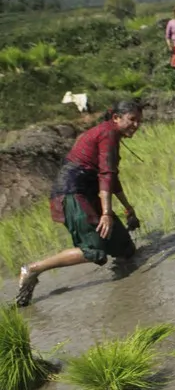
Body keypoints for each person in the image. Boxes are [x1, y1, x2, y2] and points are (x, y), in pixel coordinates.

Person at [15, 100, 144, 307]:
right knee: (94, 251)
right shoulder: (108, 134)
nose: (136, 125)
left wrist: (128, 207)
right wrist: (107, 214)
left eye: (139, 121)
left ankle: (129, 290)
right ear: (116, 118)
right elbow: (106, 175)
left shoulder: (110, 135)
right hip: (73, 194)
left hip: (90, 194)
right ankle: (32, 269)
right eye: (132, 120)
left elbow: (112, 178)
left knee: (126, 249)